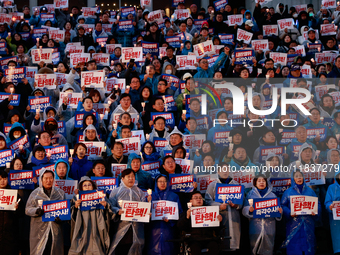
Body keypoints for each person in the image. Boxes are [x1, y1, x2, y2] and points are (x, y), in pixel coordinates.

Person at [25, 169, 66, 255]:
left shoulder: (60, 193)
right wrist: (36, 211)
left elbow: (66, 210)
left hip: (55, 230)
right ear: (41, 179)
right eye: (46, 178)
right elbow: (27, 209)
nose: (48, 181)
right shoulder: (35, 193)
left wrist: (62, 219)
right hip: (39, 230)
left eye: (51, 178)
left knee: (54, 250)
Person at [69, 176, 113, 254]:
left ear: (93, 186)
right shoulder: (76, 198)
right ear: (81, 187)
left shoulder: (101, 196)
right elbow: (71, 216)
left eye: (89, 185)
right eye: (84, 185)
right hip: (83, 228)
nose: (87, 187)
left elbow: (110, 212)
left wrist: (106, 206)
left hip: (98, 228)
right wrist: (75, 207)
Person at [281, 170, 321, 255]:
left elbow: (318, 204)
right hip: (293, 223)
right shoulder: (288, 192)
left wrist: (315, 211)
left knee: (308, 245)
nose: (299, 178)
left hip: (308, 222)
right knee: (294, 245)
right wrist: (289, 212)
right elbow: (282, 205)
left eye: (300, 176)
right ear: (293, 178)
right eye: (296, 176)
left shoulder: (310, 191)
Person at [108, 169, 148, 254]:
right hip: (121, 226)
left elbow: (144, 207)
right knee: (121, 249)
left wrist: (147, 212)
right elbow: (110, 207)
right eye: (128, 176)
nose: (131, 179)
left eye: (133, 176)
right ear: (122, 178)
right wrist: (117, 211)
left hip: (137, 228)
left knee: (136, 249)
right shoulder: (116, 192)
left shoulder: (139, 192)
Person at [205, 162, 242, 251]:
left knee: (234, 242)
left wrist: (236, 205)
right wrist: (219, 206)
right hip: (220, 216)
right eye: (222, 169)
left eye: (227, 169)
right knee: (221, 241)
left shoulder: (236, 184)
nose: (225, 172)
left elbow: (242, 201)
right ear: (218, 171)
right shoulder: (212, 185)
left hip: (234, 216)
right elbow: (208, 201)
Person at [242, 174, 283, 255]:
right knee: (254, 249)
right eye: (259, 181)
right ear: (255, 183)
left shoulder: (273, 195)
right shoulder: (250, 194)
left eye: (263, 181)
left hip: (269, 229)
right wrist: (248, 210)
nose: (261, 182)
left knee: (268, 249)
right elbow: (244, 209)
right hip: (255, 228)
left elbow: (278, 213)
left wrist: (279, 212)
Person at [177, 191, 223, 255]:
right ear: (191, 201)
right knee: (195, 249)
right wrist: (187, 217)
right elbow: (180, 227)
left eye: (200, 198)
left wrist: (219, 222)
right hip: (193, 239)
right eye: (196, 198)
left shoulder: (209, 211)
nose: (198, 200)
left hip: (208, 238)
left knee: (214, 246)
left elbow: (217, 230)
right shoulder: (186, 212)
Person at [147, 174, 183, 255]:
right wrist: (148, 202)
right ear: (156, 183)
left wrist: (171, 220)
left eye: (164, 181)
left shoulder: (174, 196)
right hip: (154, 228)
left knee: (169, 249)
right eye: (160, 181)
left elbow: (179, 212)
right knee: (153, 249)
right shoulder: (150, 195)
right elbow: (144, 211)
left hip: (168, 229)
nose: (162, 183)